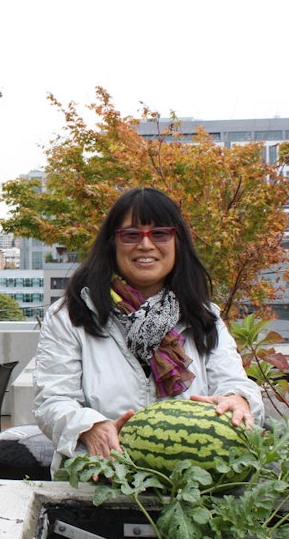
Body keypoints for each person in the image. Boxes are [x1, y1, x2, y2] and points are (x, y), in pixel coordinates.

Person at [33, 187, 263, 474]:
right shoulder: (72, 316)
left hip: (191, 491)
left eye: (159, 234)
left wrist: (238, 399)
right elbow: (52, 401)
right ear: (112, 244)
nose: (145, 245)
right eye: (131, 235)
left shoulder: (204, 317)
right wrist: (88, 426)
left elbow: (234, 383)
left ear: (177, 242)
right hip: (97, 481)